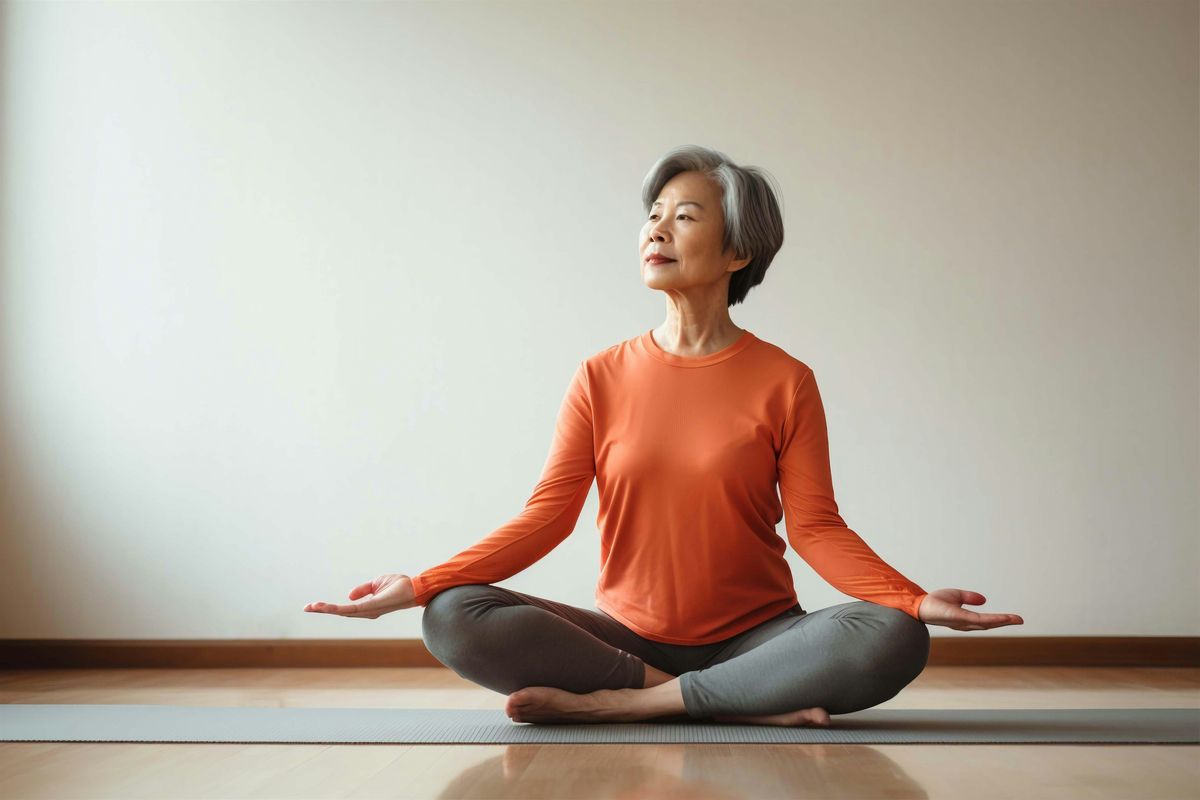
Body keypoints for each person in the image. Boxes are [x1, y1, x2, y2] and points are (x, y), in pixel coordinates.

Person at [304, 145, 1025, 727]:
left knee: (894, 636)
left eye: (684, 216)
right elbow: (546, 518)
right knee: (453, 616)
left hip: (761, 635)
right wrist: (421, 583)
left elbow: (816, 528)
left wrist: (911, 598)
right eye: (653, 215)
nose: (656, 230)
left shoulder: (786, 380)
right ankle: (726, 700)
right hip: (624, 641)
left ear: (738, 251)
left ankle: (640, 706)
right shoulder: (601, 374)